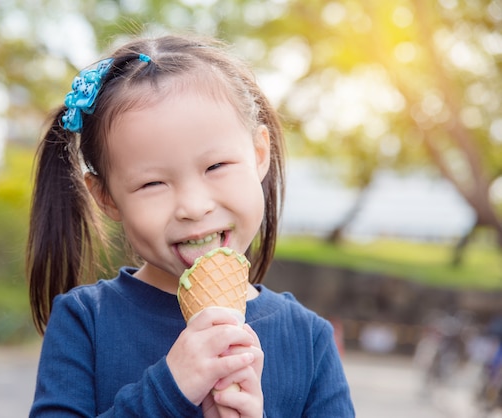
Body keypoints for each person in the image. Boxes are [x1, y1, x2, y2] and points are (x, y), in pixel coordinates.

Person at [27, 33, 354, 417]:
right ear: (107, 198)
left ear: (259, 153)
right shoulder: (85, 322)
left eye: (216, 167)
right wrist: (170, 389)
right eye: (153, 183)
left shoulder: (310, 341)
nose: (194, 207)